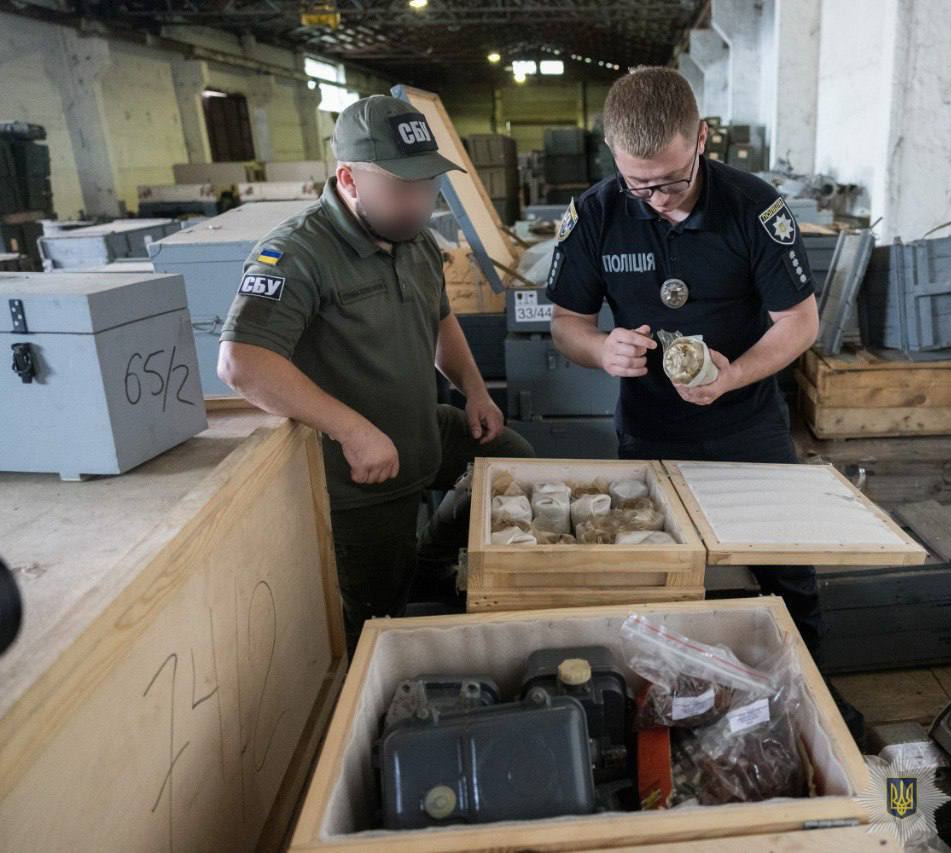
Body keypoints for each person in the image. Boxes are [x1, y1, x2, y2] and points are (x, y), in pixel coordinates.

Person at [217, 95, 533, 649]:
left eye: (428, 185)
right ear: (349, 179)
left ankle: (433, 558)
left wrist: (475, 392)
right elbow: (243, 362)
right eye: (402, 188)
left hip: (419, 429)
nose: (419, 202)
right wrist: (351, 430)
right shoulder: (298, 253)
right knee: (378, 621)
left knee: (513, 462)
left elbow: (440, 319)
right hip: (358, 477)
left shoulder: (414, 241)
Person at [546, 67, 826, 657]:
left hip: (747, 427)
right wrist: (602, 348)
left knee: (786, 576)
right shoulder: (596, 215)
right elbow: (567, 325)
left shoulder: (754, 209)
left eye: (671, 181)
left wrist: (735, 375)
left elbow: (800, 322)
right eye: (637, 185)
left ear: (702, 138)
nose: (657, 199)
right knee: (661, 579)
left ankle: (812, 691)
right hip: (650, 431)